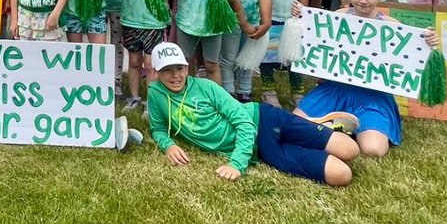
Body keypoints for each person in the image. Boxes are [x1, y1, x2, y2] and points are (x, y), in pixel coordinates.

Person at [148, 42, 359, 186]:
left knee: (351, 149)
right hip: (262, 148)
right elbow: (157, 128)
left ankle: (312, 124)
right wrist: (169, 145)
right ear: (156, 72)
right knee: (342, 174)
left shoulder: (205, 87)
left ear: (187, 68)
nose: (175, 75)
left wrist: (236, 164)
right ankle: (313, 124)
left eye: (179, 68)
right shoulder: (156, 94)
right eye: (167, 70)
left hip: (264, 118)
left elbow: (244, 123)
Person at [294, 0, 439, 158]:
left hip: (373, 96)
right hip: (335, 89)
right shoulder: (338, 16)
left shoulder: (391, 25)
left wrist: (426, 42)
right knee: (296, 124)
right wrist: (301, 17)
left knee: (374, 150)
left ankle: (336, 129)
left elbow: (406, 59)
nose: (363, 0)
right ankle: (335, 126)